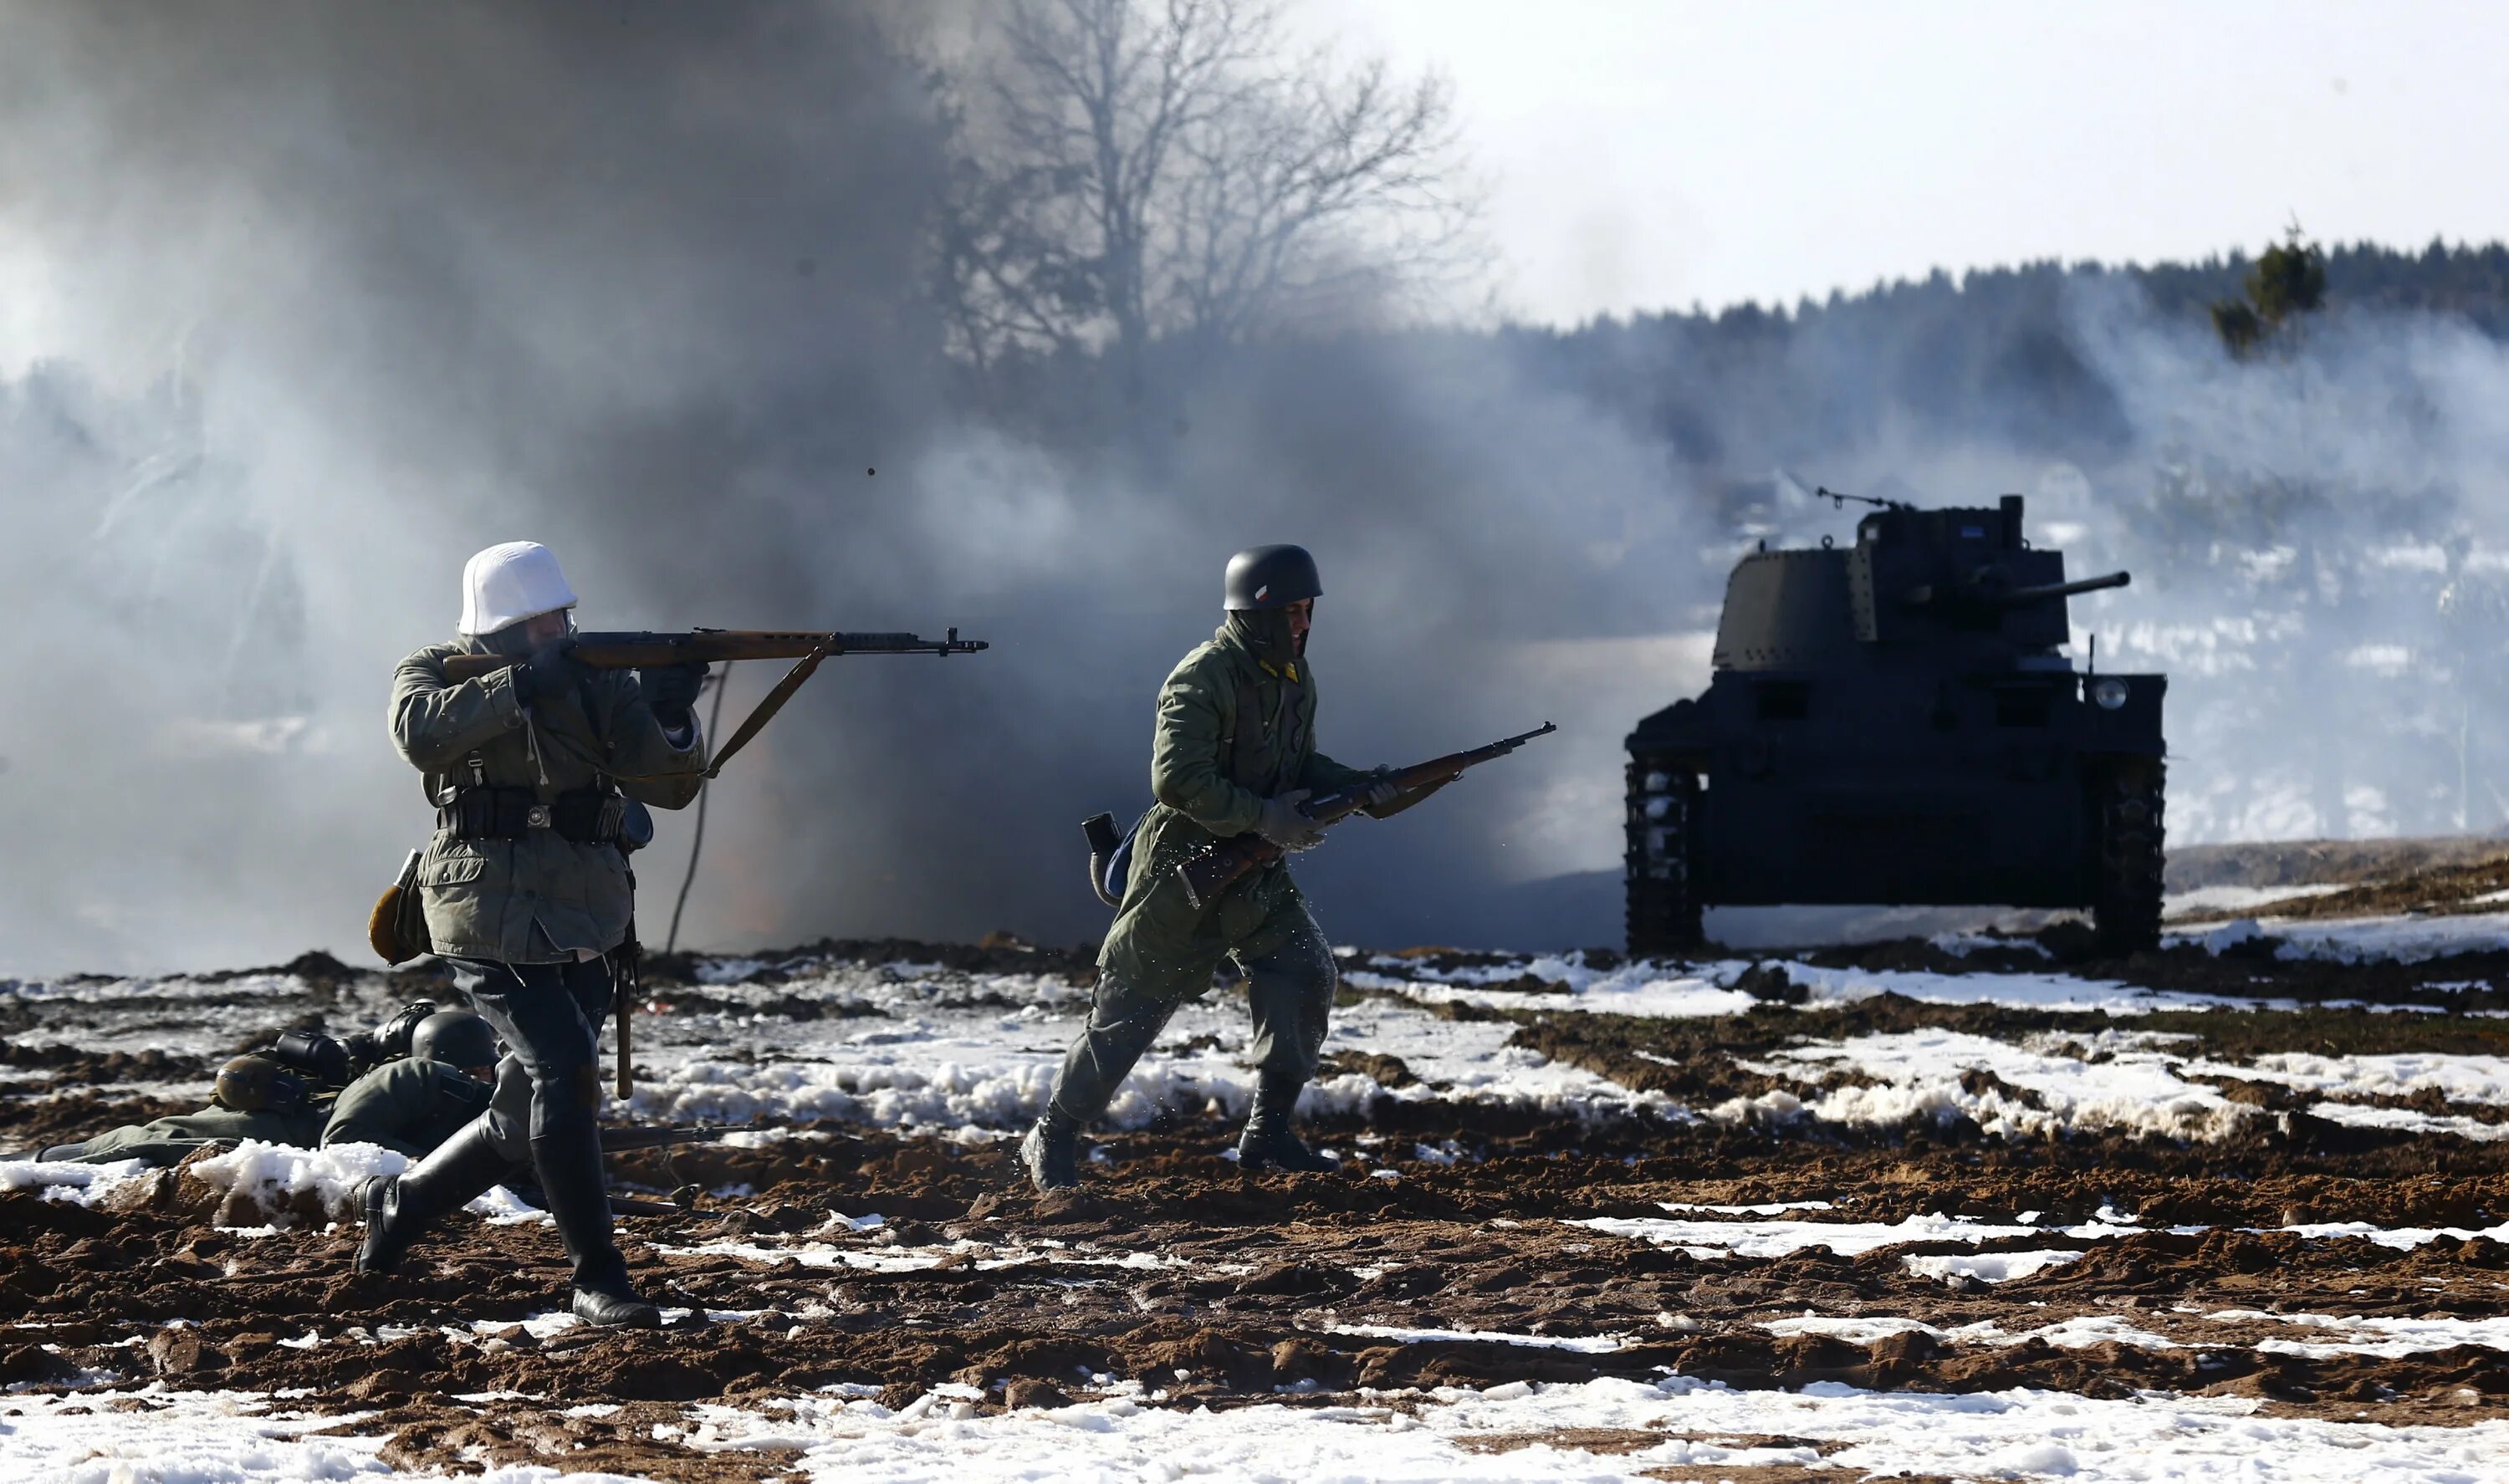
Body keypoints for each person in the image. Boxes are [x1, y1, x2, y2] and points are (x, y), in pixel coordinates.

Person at [359, 541, 708, 1328]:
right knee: (565, 1067)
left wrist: (671, 710)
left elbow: (671, 787)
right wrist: (518, 685)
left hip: (585, 915)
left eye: (563, 613)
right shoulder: (432, 668)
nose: (561, 626)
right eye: (543, 618)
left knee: (524, 1114)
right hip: (485, 912)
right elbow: (418, 733)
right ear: (503, 626)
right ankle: (597, 1277)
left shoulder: (599, 679)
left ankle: (404, 1204)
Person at [1020, 545, 1431, 1192]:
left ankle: (1267, 1135)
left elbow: (1298, 766)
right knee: (1128, 1017)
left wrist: (1364, 785)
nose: (1301, 624)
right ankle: (1054, 1132)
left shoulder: (1295, 677)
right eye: (1291, 610)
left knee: (1304, 972)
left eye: (1308, 611)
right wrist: (1265, 817)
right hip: (1183, 869)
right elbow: (1178, 780)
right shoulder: (1203, 676)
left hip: (1256, 872)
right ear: (1258, 609)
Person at [19, 1010, 503, 1167]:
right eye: (477, 1070)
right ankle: (30, 1163)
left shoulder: (430, 1089)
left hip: (276, 1129)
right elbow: (345, 1140)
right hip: (259, 1131)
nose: (484, 1080)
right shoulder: (409, 1077)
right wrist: (437, 1166)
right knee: (124, 1148)